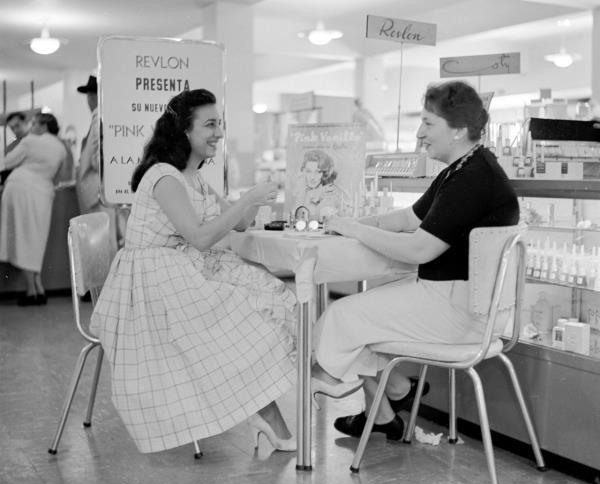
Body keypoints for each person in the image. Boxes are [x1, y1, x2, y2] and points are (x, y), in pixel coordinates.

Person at [89, 88, 298, 454]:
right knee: (239, 315)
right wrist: (247, 200)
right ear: (184, 131)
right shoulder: (165, 177)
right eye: (211, 125)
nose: (219, 132)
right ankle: (264, 412)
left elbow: (239, 223)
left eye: (221, 124)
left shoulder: (195, 176)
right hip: (149, 282)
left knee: (266, 295)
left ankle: (264, 411)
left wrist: (255, 198)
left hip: (176, 268)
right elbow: (201, 237)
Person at [312, 80, 519, 440]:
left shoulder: (472, 179)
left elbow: (418, 250)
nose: (420, 133)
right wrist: (354, 224)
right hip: (463, 302)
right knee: (357, 318)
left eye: (428, 123)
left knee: (341, 316)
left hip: (460, 313)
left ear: (458, 131)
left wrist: (354, 230)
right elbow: (410, 218)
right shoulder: (465, 167)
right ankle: (394, 394)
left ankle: (345, 385)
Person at [0, 113, 67, 305]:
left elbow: (6, 162)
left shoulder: (30, 141)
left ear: (44, 126)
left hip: (20, 189)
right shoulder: (61, 147)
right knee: (35, 240)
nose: (32, 127)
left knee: (23, 238)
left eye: (35, 123)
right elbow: (59, 176)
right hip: (44, 194)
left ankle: (32, 290)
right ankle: (38, 287)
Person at [75, 75, 118, 254]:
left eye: (89, 96)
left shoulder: (99, 117)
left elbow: (97, 156)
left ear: (93, 96)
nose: (88, 100)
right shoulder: (104, 116)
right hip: (99, 189)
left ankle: (109, 281)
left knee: (103, 240)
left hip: (97, 188)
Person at [296, 149, 345, 220]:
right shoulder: (303, 192)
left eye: (318, 172)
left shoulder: (330, 192)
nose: (312, 177)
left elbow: (313, 220)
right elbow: (296, 218)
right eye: (309, 171)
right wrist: (309, 197)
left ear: (324, 173)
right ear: (304, 171)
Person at [1, 112, 31, 185]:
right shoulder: (10, 147)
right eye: (12, 128)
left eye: (17, 125)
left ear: (26, 122)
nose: (15, 130)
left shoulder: (40, 140)